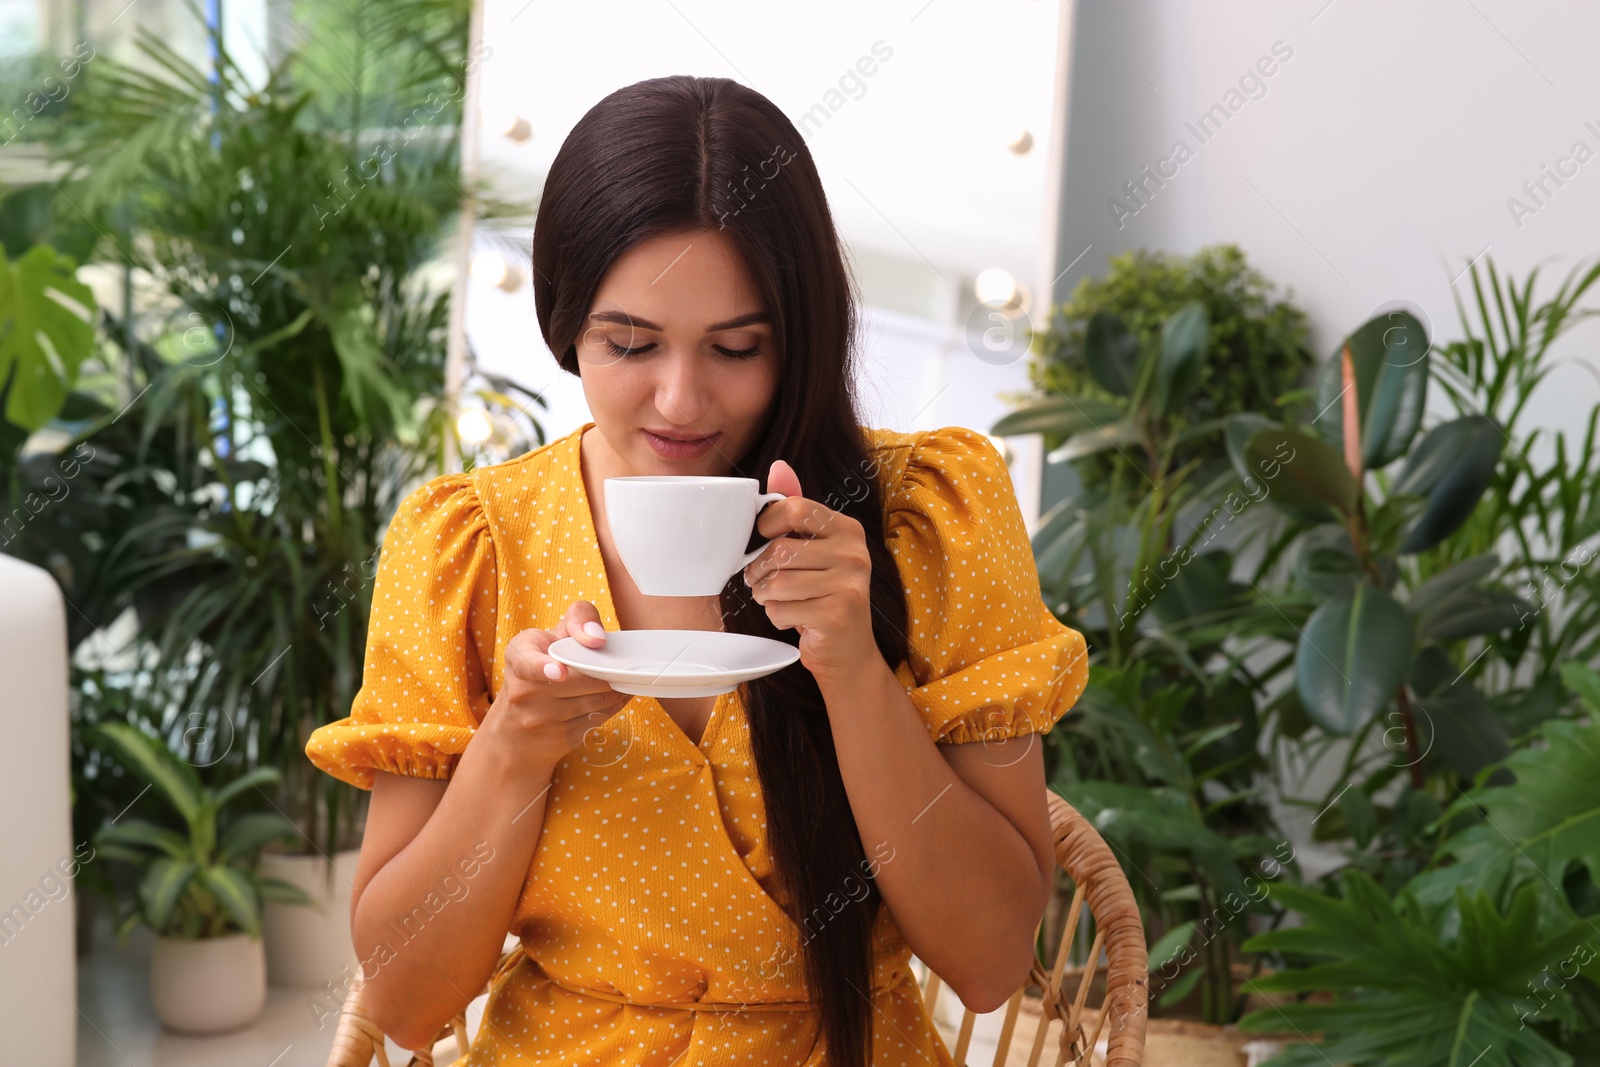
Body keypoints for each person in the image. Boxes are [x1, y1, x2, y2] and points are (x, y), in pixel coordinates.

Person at [305, 74, 1089, 1067]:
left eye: (737, 347)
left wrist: (851, 670)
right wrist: (513, 745)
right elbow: (409, 1006)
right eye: (628, 342)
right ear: (565, 324)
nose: (680, 399)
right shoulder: (469, 542)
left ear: (797, 337)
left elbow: (987, 961)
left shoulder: (928, 511)